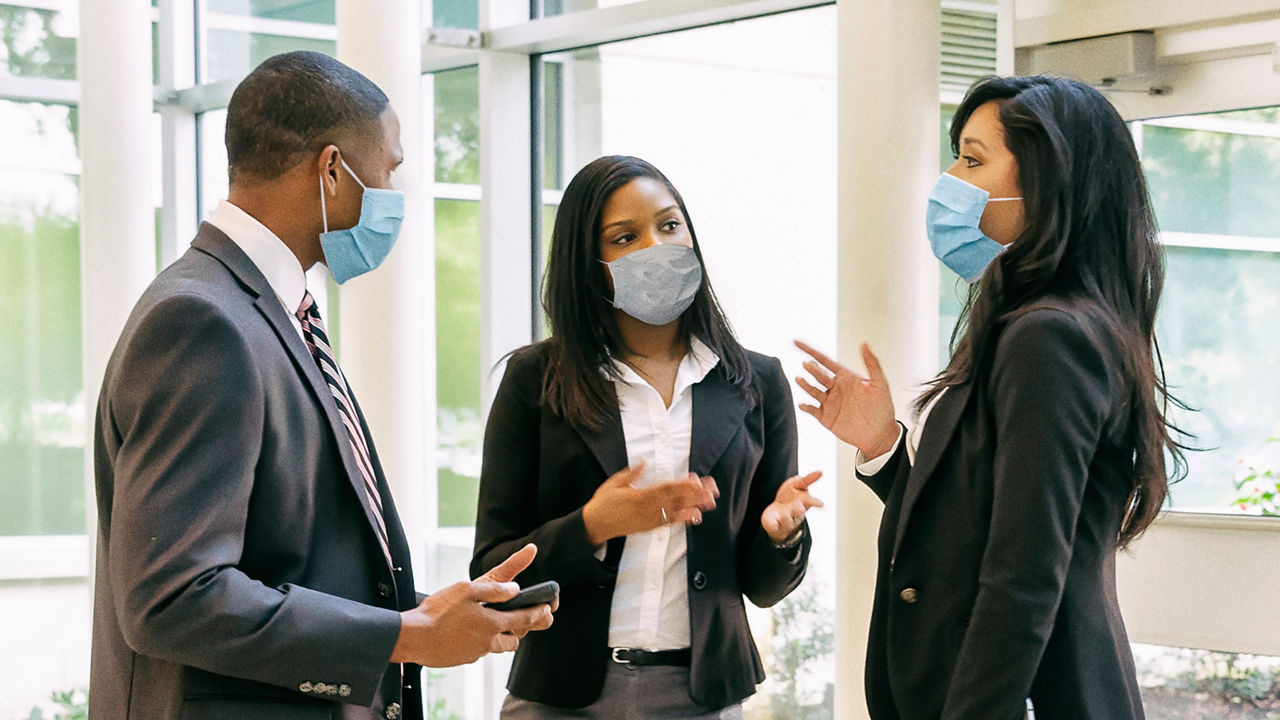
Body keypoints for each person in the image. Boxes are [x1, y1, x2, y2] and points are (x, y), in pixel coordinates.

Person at [90, 51, 553, 720]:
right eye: (390, 169)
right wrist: (405, 636)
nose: (397, 195)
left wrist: (422, 615)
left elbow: (285, 557)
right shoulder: (203, 320)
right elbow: (172, 597)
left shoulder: (268, 310)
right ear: (333, 168)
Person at [795, 75, 1187, 719]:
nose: (949, 177)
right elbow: (983, 522)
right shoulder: (1039, 324)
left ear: (1046, 181)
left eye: (973, 159)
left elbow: (1022, 578)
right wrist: (885, 447)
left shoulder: (1049, 336)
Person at [471, 155, 823, 719]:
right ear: (591, 265)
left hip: (701, 695)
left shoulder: (757, 383)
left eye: (669, 225)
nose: (656, 246)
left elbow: (763, 587)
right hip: (562, 696)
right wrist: (594, 526)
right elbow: (491, 568)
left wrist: (782, 537)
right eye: (624, 237)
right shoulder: (536, 380)